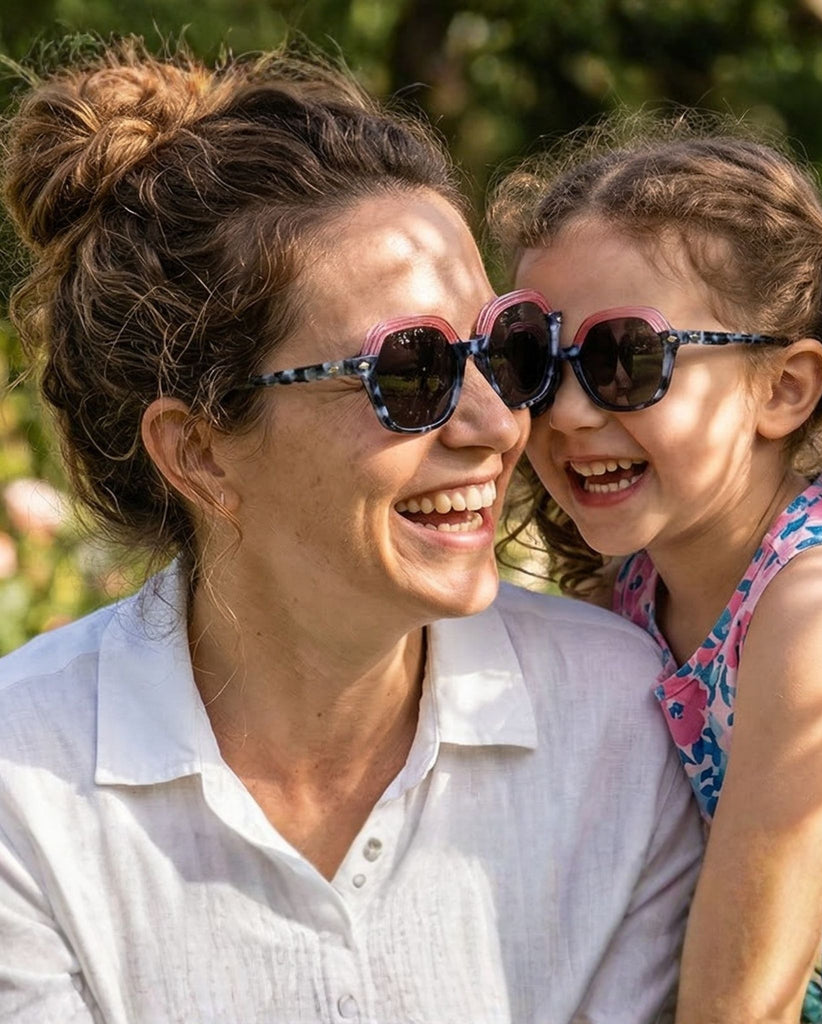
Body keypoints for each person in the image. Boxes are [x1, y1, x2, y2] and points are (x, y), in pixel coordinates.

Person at [0, 43, 703, 1024]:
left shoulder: (622, 724)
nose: (498, 423)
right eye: (410, 373)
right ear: (198, 453)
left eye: (503, 351)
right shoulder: (23, 783)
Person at [491, 126, 822, 1023]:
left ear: (782, 388)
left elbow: (745, 1002)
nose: (570, 411)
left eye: (628, 359)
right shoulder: (638, 590)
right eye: (534, 363)